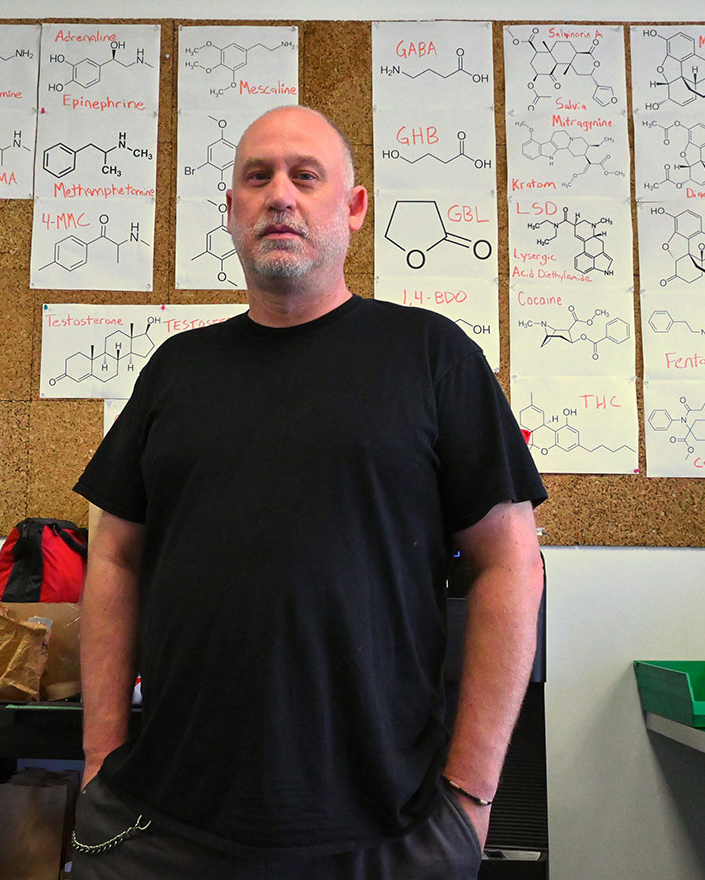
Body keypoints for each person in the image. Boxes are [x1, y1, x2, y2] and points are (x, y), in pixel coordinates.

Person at [71, 104, 547, 879]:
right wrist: (99, 757)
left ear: (353, 208)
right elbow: (115, 556)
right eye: (257, 177)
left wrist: (471, 797)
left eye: (305, 175)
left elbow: (512, 564)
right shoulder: (176, 370)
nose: (280, 196)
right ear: (231, 211)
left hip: (386, 834)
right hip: (159, 827)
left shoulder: (431, 356)